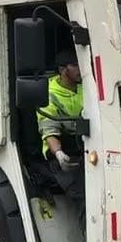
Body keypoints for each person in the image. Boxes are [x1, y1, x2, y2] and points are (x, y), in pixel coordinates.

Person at [38, 50, 85, 205]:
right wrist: (58, 153)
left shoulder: (87, 86)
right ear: (63, 70)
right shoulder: (48, 94)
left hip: (88, 150)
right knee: (84, 197)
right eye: (75, 65)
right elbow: (48, 127)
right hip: (64, 156)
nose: (81, 69)